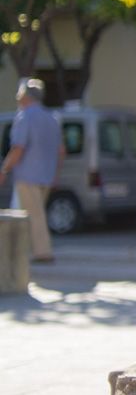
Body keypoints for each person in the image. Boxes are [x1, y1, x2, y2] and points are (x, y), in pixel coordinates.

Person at [0, 78, 64, 263]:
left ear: (26, 96)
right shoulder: (52, 118)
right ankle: (25, 251)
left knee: (33, 215)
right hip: (46, 175)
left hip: (28, 175)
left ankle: (42, 252)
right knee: (36, 213)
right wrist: (55, 175)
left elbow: (18, 148)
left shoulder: (24, 117)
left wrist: (4, 169)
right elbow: (61, 151)